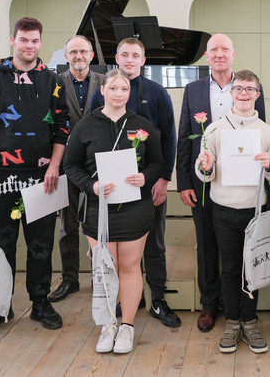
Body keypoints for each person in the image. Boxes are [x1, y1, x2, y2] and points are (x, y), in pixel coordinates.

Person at [0, 17, 70, 334]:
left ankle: (40, 302)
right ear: (13, 40)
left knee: (41, 246)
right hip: (0, 178)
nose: (30, 46)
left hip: (43, 178)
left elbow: (62, 128)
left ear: (41, 43)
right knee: (3, 245)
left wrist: (54, 166)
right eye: (24, 40)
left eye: (35, 41)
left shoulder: (53, 80)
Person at [63, 69, 164, 354]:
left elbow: (157, 162)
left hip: (135, 209)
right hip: (98, 208)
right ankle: (108, 325)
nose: (120, 93)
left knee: (130, 266)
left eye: (125, 89)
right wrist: (91, 186)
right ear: (103, 90)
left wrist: (145, 178)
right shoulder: (85, 125)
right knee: (105, 268)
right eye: (114, 88)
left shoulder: (142, 124)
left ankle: (128, 326)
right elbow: (71, 166)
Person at [176, 33, 266, 333]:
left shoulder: (249, 86)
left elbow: (259, 131)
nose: (218, 54)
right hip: (203, 179)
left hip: (240, 184)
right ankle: (209, 303)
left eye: (224, 49)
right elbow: (184, 136)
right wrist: (184, 181)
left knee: (239, 248)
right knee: (206, 245)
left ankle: (238, 305)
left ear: (234, 54)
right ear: (206, 55)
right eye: (213, 49)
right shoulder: (192, 89)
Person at [88, 38, 180, 327]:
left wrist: (163, 178)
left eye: (135, 55)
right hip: (113, 187)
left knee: (154, 243)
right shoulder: (100, 93)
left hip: (148, 182)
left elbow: (170, 138)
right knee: (119, 249)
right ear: (116, 57)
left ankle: (158, 299)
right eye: (124, 54)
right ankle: (126, 299)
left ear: (143, 59)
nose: (129, 59)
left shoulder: (157, 92)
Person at [195, 70, 270, 354]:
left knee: (252, 270)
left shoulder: (269, 133)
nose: (244, 93)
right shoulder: (214, 129)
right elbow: (205, 171)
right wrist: (205, 166)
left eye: (250, 89)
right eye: (239, 88)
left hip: (256, 211)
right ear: (231, 92)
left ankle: (250, 320)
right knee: (230, 267)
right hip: (224, 209)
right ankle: (232, 320)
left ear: (258, 94)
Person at [50, 36, 105, 303]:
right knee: (67, 224)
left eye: (83, 51)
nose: (79, 55)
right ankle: (69, 279)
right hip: (66, 164)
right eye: (73, 51)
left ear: (92, 55)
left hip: (98, 165)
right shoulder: (54, 82)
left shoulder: (105, 82)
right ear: (65, 55)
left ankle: (99, 277)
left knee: (98, 223)